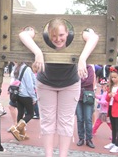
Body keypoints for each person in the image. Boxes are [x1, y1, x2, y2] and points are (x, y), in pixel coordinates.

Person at [18, 18, 99, 157]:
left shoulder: (74, 37)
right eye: (53, 36)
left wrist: (82, 58)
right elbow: (23, 34)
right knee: (47, 121)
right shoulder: (44, 38)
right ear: (49, 34)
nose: (58, 39)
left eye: (61, 35)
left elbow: (94, 36)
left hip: (70, 84)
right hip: (46, 83)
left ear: (67, 33)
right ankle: (48, 155)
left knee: (66, 122)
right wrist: (38, 52)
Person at [9, 62, 37, 141]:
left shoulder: (16, 67)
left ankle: (21, 134)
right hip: (26, 95)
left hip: (17, 94)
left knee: (20, 113)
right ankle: (17, 128)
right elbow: (29, 85)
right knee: (30, 114)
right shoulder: (27, 69)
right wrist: (34, 97)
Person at [104, 66, 118, 153]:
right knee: (113, 127)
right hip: (111, 108)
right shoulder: (111, 86)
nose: (113, 79)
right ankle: (113, 142)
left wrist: (115, 96)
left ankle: (117, 145)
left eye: (115, 77)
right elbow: (107, 99)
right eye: (112, 77)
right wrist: (109, 95)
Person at [76, 64, 95, 148]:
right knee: (80, 119)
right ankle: (81, 138)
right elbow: (73, 80)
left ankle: (89, 139)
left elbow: (90, 81)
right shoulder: (75, 68)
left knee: (88, 118)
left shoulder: (89, 68)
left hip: (88, 96)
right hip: (77, 96)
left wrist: (79, 82)